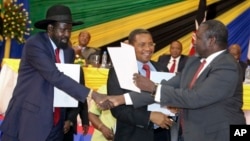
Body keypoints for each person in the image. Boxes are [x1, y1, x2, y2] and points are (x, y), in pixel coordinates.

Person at [103, 20, 246, 141]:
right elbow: (167, 86)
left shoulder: (227, 66)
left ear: (211, 40)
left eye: (198, 38)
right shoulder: (195, 62)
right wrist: (122, 99)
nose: (193, 42)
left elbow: (195, 98)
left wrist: (154, 88)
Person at [0, 4, 108, 141]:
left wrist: (69, 117)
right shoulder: (35, 44)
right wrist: (93, 94)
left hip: (57, 126)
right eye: (63, 30)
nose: (67, 35)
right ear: (50, 29)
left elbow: (69, 84)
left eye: (69, 30)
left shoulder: (69, 52)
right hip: (28, 121)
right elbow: (54, 76)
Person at [107, 28, 175, 141]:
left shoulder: (162, 69)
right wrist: (149, 117)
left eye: (151, 44)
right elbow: (117, 109)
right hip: (132, 135)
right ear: (131, 47)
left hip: (162, 134)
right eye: (142, 45)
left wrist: (174, 106)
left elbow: (170, 96)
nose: (148, 49)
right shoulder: (119, 71)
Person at [63, 68, 89, 141]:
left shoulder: (75, 67)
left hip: (67, 124)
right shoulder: (43, 61)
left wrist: (85, 120)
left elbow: (81, 93)